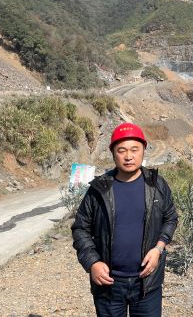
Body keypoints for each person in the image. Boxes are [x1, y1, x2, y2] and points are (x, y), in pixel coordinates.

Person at [72, 122, 178, 317]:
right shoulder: (99, 189)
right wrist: (93, 262)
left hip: (147, 283)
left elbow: (170, 217)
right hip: (109, 285)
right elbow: (80, 228)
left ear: (143, 150)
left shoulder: (157, 185)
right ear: (113, 153)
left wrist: (158, 248)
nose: (128, 156)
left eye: (134, 150)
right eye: (122, 150)